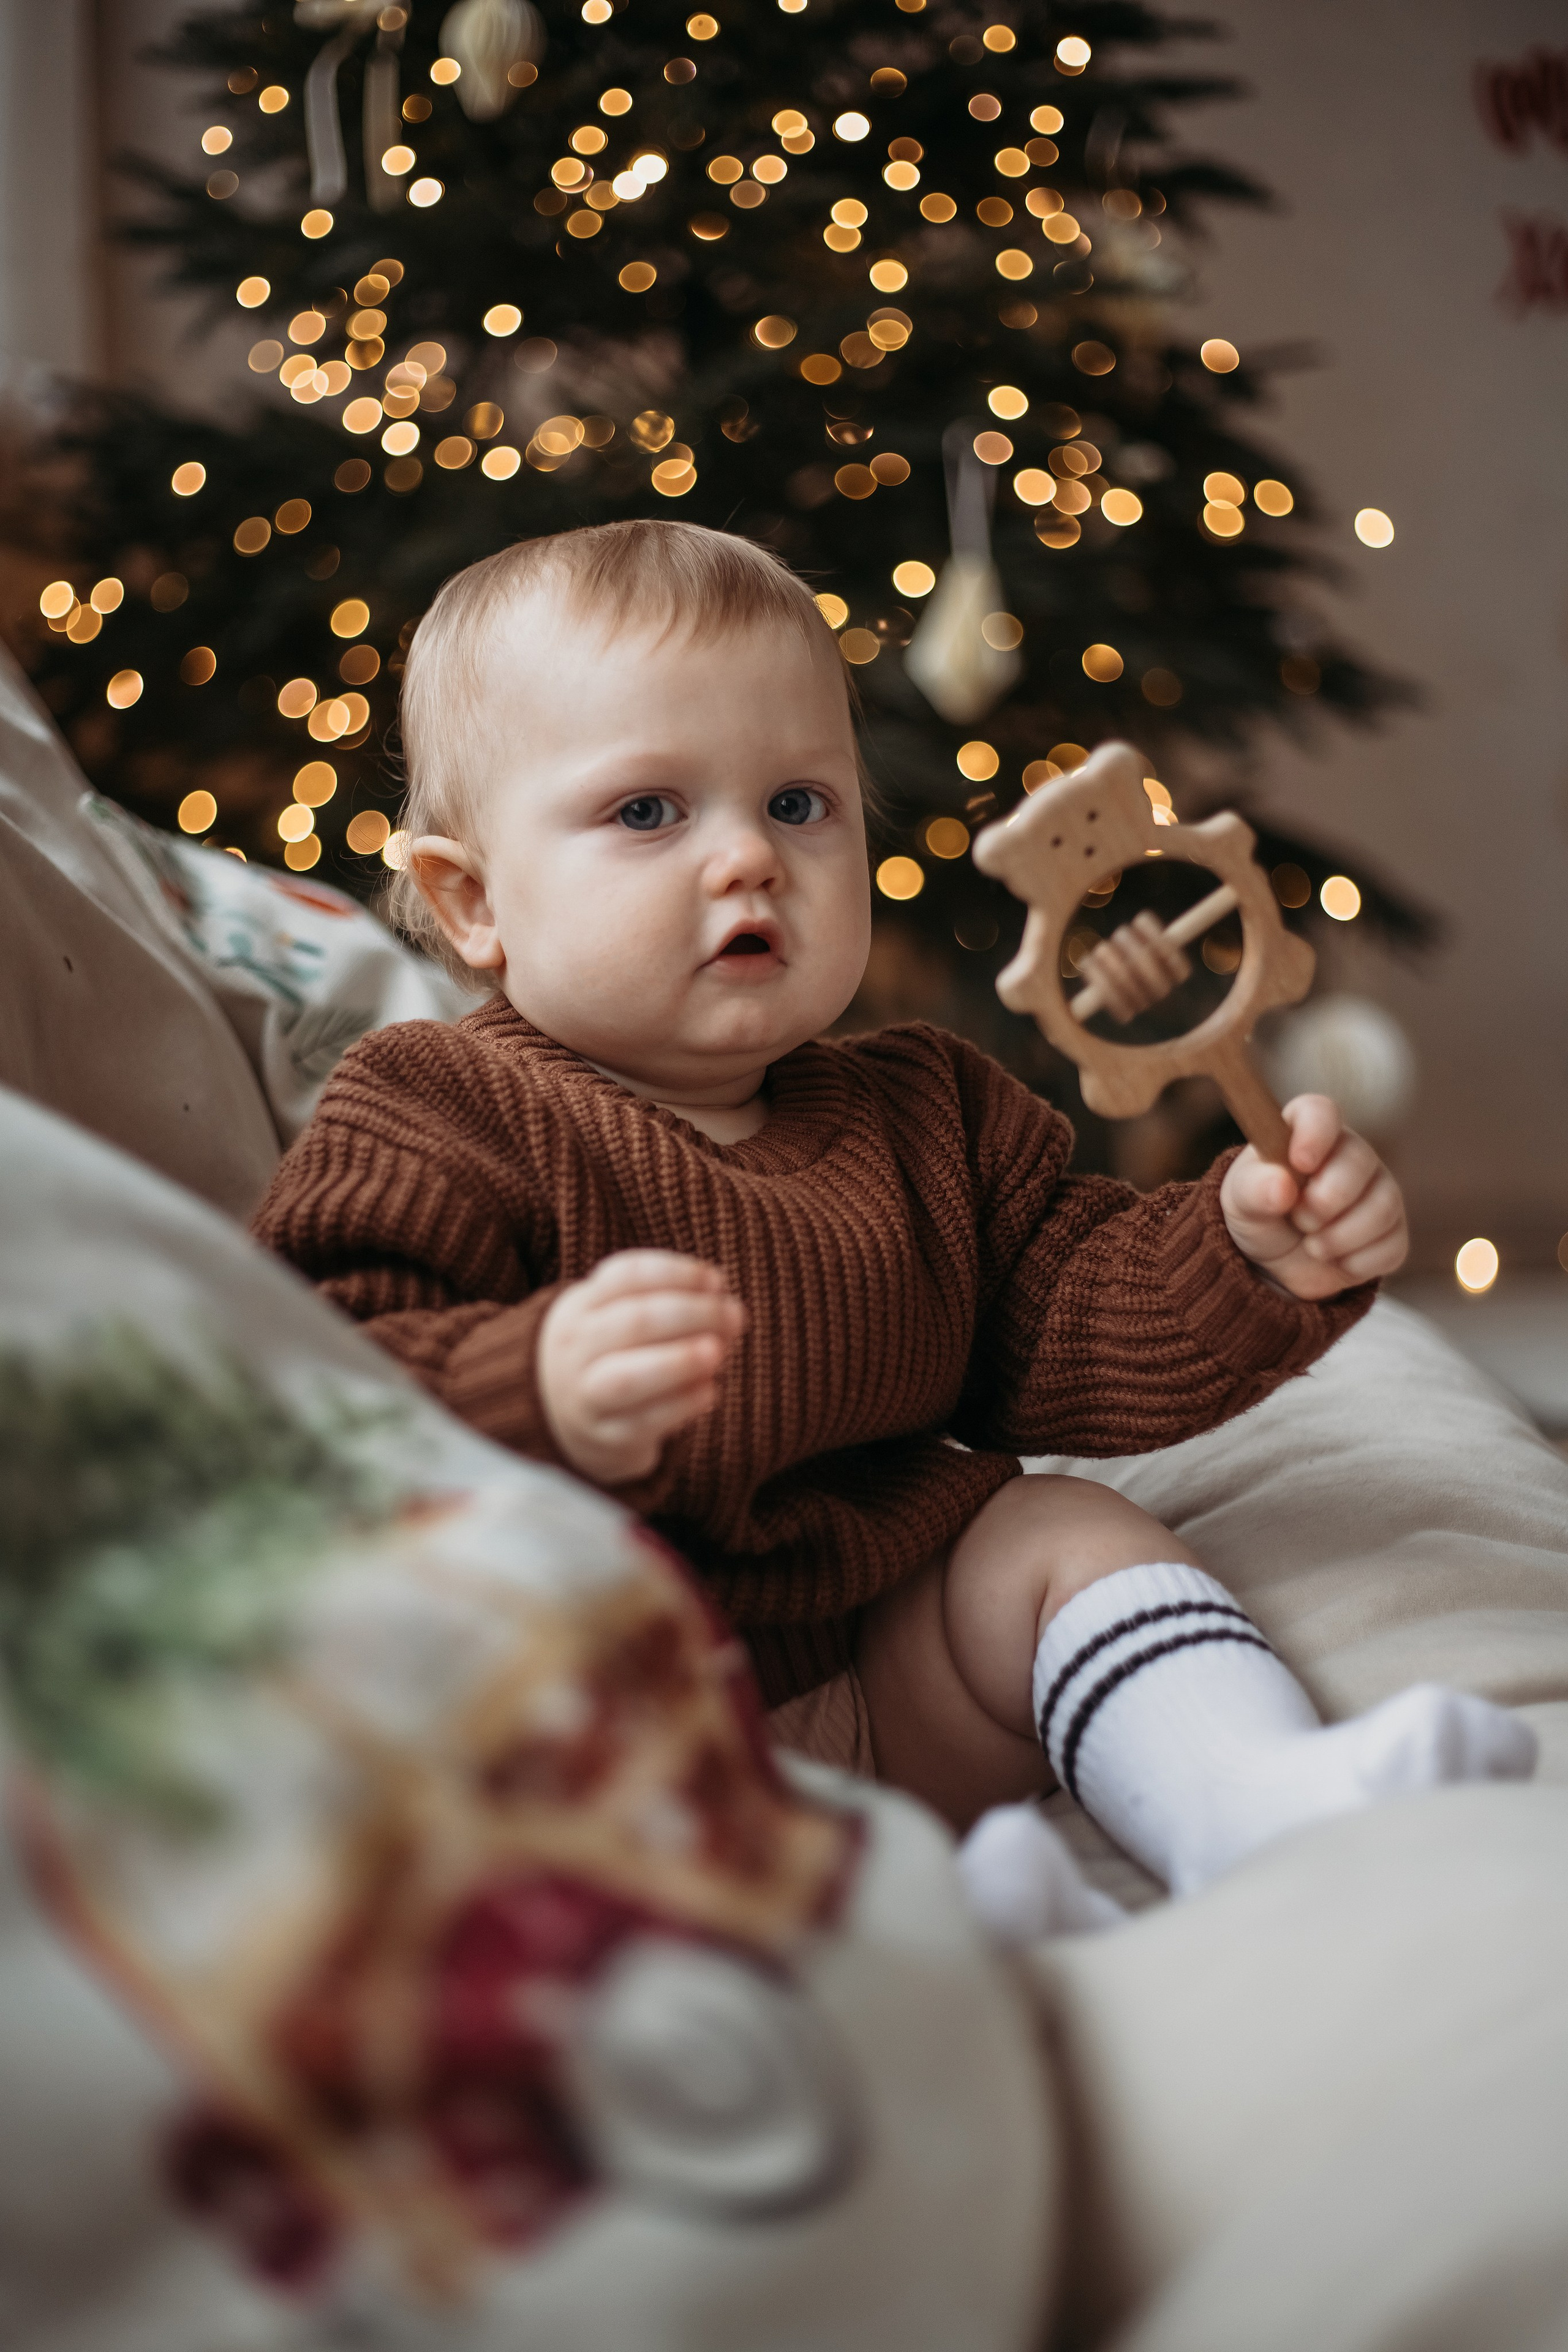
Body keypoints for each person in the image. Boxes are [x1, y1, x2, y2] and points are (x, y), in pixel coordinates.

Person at [253, 521, 1532, 1912]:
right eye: (647, 813)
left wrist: (1241, 1254)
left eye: (798, 804)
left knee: (1053, 1536)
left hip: (887, 1681)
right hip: (617, 1708)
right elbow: (323, 1371)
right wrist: (532, 1386)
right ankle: (908, 1921)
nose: (746, 858)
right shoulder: (435, 1105)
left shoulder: (924, 1109)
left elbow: (1058, 1311)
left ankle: (1248, 1801)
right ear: (473, 898)